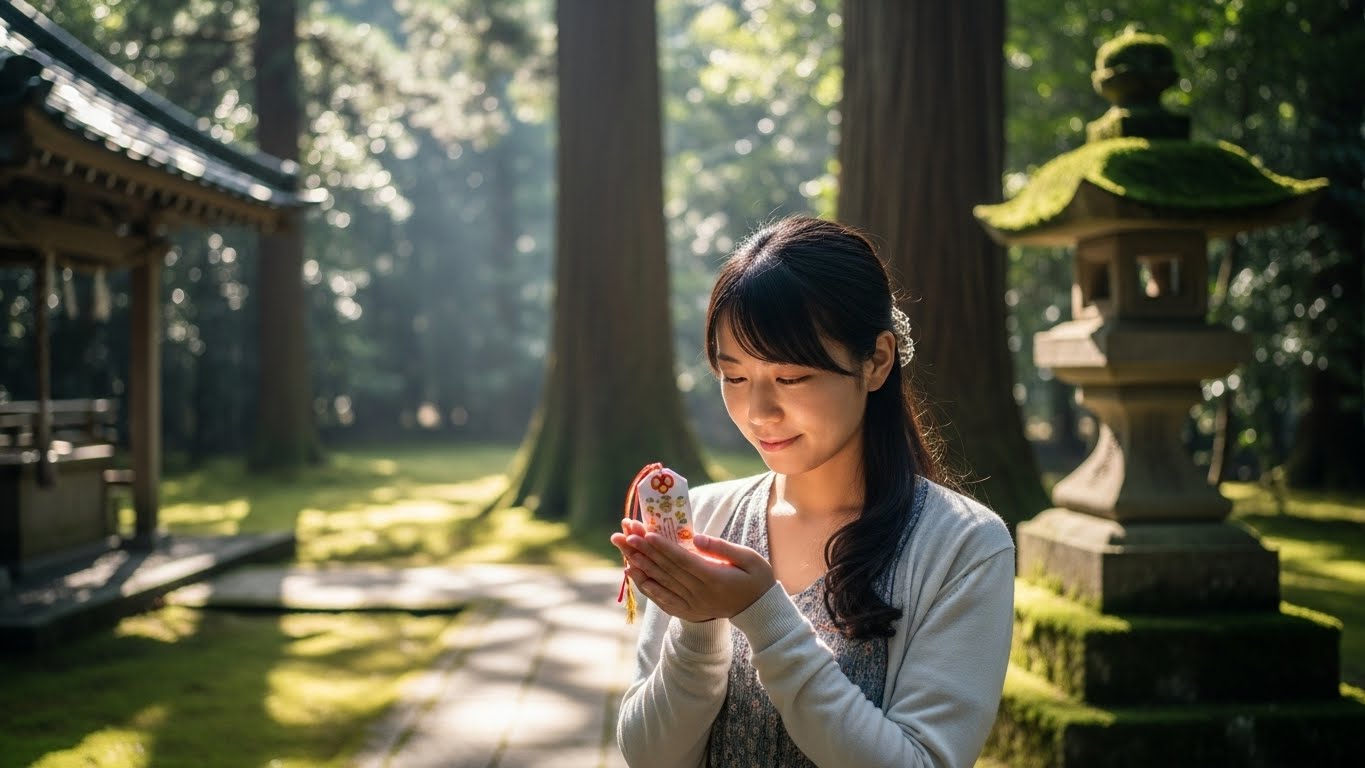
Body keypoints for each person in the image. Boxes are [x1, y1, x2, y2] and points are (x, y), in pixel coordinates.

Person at [610, 216, 1014, 768]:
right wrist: (698, 626)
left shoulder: (963, 545)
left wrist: (763, 615)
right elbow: (648, 757)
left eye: (791, 378)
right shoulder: (704, 519)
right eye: (734, 377)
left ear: (875, 361)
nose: (759, 412)